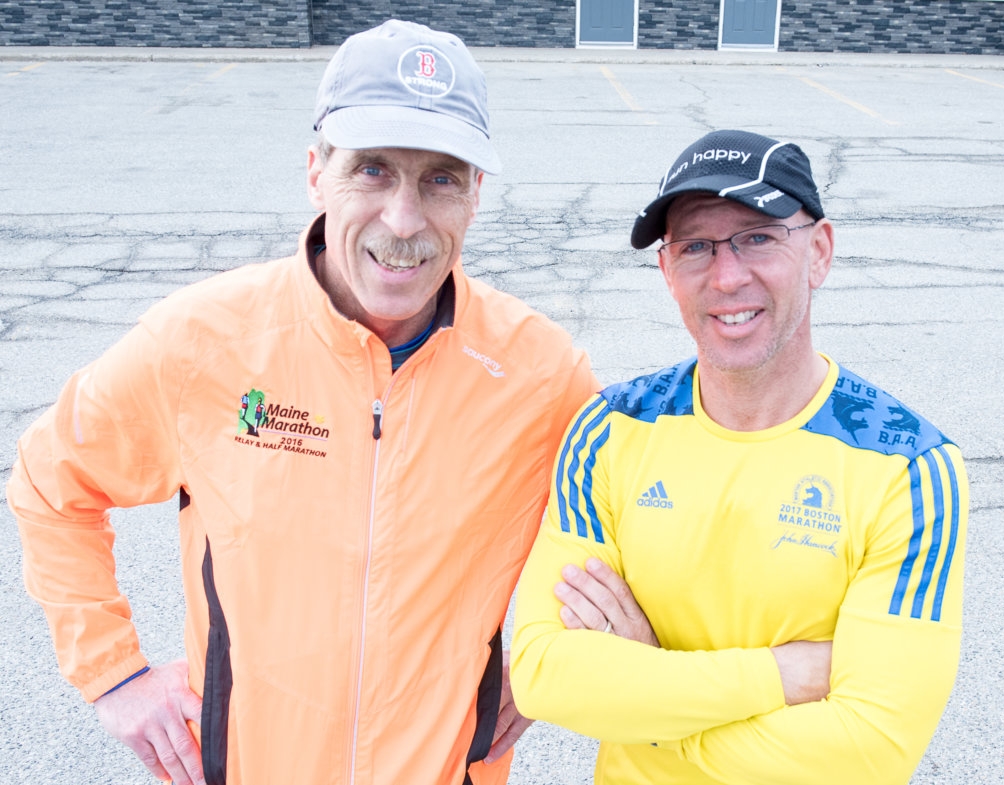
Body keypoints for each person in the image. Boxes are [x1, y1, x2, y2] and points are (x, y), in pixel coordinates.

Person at [7, 20, 597, 785]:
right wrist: (113, 674)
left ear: (476, 195)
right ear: (317, 173)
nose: (404, 219)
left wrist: (560, 655)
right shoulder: (204, 341)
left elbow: (631, 529)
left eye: (441, 179)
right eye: (373, 170)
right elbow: (51, 480)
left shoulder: (540, 372)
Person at [510, 129, 967, 784]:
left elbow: (868, 750)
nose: (727, 276)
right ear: (667, 272)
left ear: (819, 251)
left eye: (757, 237)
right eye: (695, 246)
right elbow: (543, 673)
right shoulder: (610, 429)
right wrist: (780, 674)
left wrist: (653, 705)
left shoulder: (907, 465)